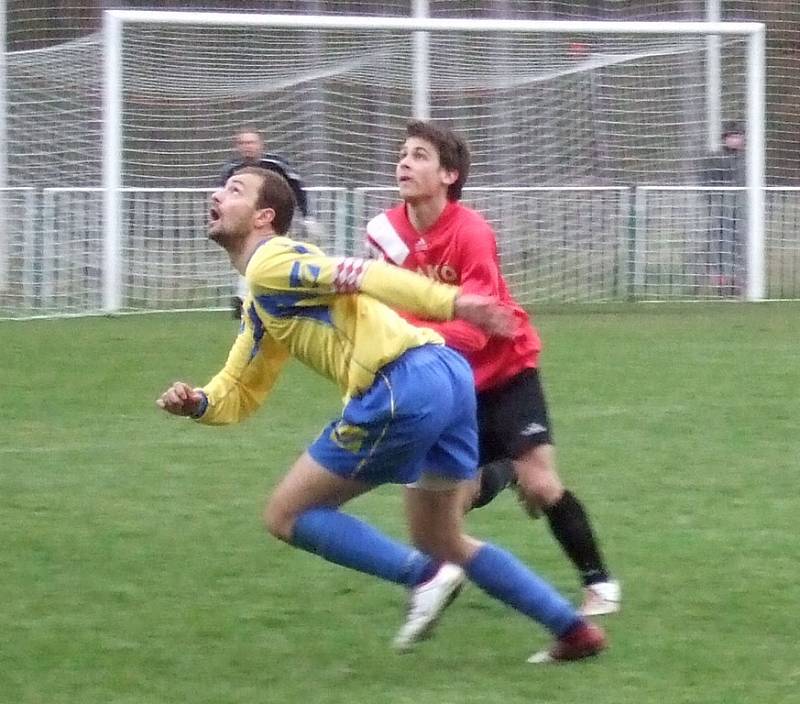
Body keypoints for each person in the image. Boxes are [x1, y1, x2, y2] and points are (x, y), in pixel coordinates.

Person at [156, 164, 607, 663]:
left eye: (234, 189)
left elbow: (365, 274)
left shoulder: (271, 262)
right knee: (439, 536)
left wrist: (454, 302)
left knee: (288, 514)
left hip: (401, 384)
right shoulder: (264, 296)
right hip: (447, 375)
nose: (217, 194)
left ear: (265, 217)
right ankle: (572, 631)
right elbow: (242, 384)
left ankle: (425, 577)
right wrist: (199, 402)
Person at [365, 120, 620, 629]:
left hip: (506, 372)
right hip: (450, 385)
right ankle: (438, 584)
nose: (404, 163)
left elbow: (479, 330)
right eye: (403, 154)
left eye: (418, 156)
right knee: (447, 508)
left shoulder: (471, 232)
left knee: (542, 485)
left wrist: (411, 333)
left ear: (449, 174)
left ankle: (599, 585)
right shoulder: (384, 233)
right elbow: (380, 312)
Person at [220, 128, 319, 317]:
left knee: (272, 257)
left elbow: (297, 188)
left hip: (276, 221)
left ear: (260, 145)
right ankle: (247, 298)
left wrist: (308, 216)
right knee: (251, 257)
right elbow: (223, 196)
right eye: (243, 143)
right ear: (237, 146)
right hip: (247, 222)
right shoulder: (232, 169)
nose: (247, 147)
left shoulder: (276, 164)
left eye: (251, 142)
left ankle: (256, 298)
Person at [702, 121, 746, 295]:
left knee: (739, 242)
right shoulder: (716, 158)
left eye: (738, 135)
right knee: (720, 240)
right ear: (725, 139)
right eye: (732, 136)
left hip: (740, 207)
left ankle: (737, 278)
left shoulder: (747, 160)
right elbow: (706, 181)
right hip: (721, 206)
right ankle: (720, 279)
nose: (736, 139)